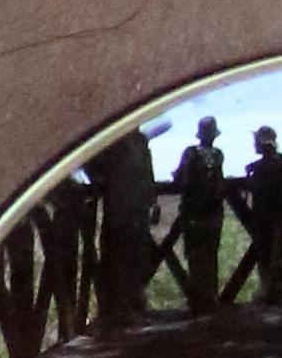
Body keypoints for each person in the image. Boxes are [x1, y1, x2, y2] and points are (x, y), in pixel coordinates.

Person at [85, 129, 159, 326]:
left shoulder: (140, 140)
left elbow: (147, 172)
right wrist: (100, 181)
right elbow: (90, 162)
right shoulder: (111, 139)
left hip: (138, 208)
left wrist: (153, 201)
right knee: (118, 258)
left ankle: (134, 305)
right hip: (118, 208)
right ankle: (119, 309)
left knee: (139, 256)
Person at [173, 116, 226, 315]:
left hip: (193, 213)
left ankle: (197, 302)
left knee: (196, 258)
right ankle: (211, 299)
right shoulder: (218, 155)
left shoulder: (191, 153)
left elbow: (182, 180)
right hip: (214, 213)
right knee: (211, 257)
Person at [245, 126, 282, 304]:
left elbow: (259, 189)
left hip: (268, 215)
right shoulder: (280, 165)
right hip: (278, 214)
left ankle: (276, 290)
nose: (254, 145)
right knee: (274, 250)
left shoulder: (264, 168)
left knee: (269, 251)